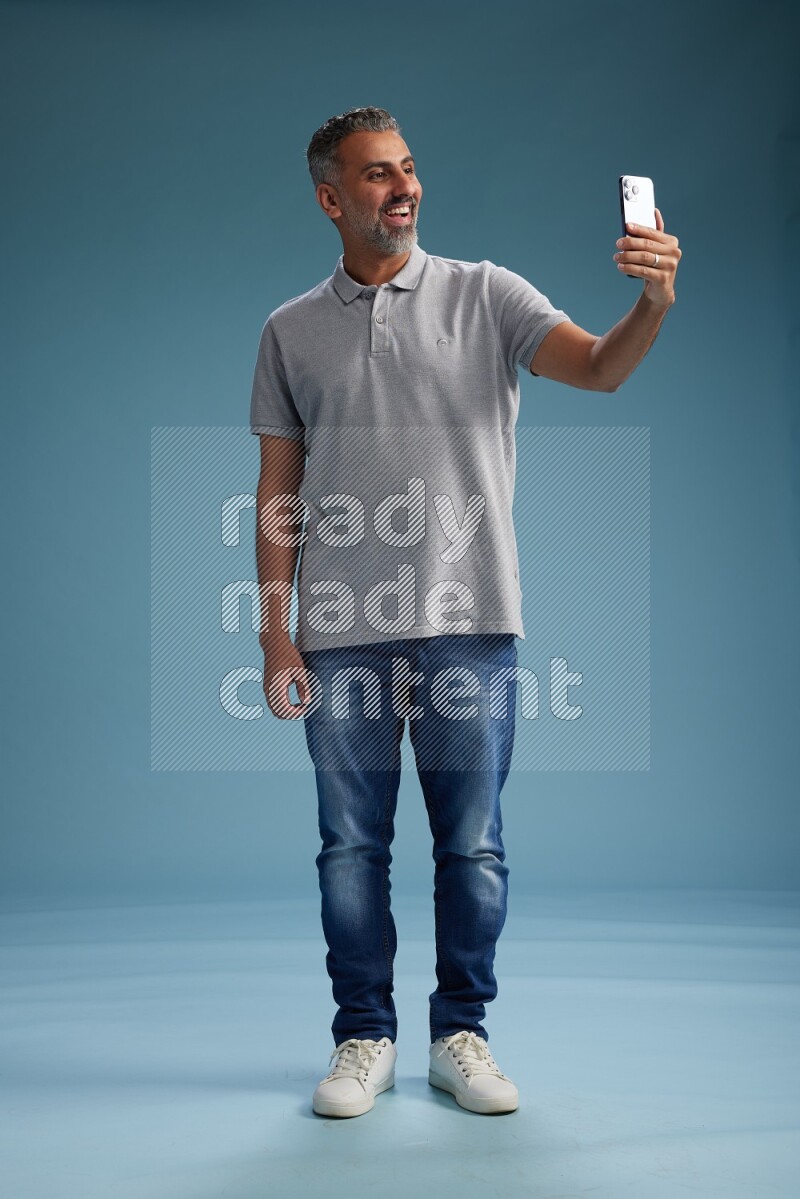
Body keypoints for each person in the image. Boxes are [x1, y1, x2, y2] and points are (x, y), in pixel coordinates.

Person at [250, 107, 681, 1119]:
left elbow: (600, 367)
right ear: (330, 198)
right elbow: (278, 493)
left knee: (472, 845)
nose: (402, 187)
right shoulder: (288, 331)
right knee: (349, 848)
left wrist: (652, 302)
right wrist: (274, 633)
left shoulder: (489, 295)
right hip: (340, 633)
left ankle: (459, 1033)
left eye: (407, 168)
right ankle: (363, 1035)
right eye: (376, 174)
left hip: (471, 620)